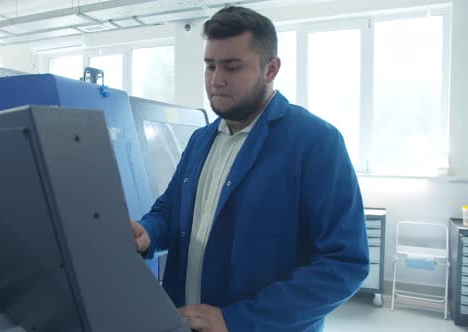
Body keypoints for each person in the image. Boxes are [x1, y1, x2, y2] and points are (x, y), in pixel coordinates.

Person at [130, 6, 369, 332]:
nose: (216, 80)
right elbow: (171, 211)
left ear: (271, 69)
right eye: (210, 66)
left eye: (232, 67)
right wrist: (148, 233)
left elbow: (343, 264)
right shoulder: (202, 139)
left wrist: (238, 320)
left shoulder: (315, 142)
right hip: (184, 320)